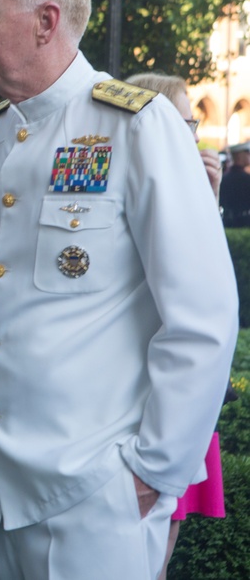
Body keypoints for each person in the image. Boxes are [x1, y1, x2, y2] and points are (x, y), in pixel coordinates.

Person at [0, 0, 239, 579]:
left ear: (46, 22)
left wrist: (152, 473)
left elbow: (203, 319)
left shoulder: (137, 126)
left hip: (94, 497)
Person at [127, 72, 228, 579]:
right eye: (185, 120)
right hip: (146, 392)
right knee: (153, 527)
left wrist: (209, 197)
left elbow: (208, 290)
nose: (193, 132)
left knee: (171, 522)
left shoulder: (192, 181)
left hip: (185, 392)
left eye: (193, 121)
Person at [221, 141, 250, 227]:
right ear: (239, 156)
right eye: (248, 153)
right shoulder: (246, 178)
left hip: (227, 222)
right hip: (243, 223)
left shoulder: (224, 177)